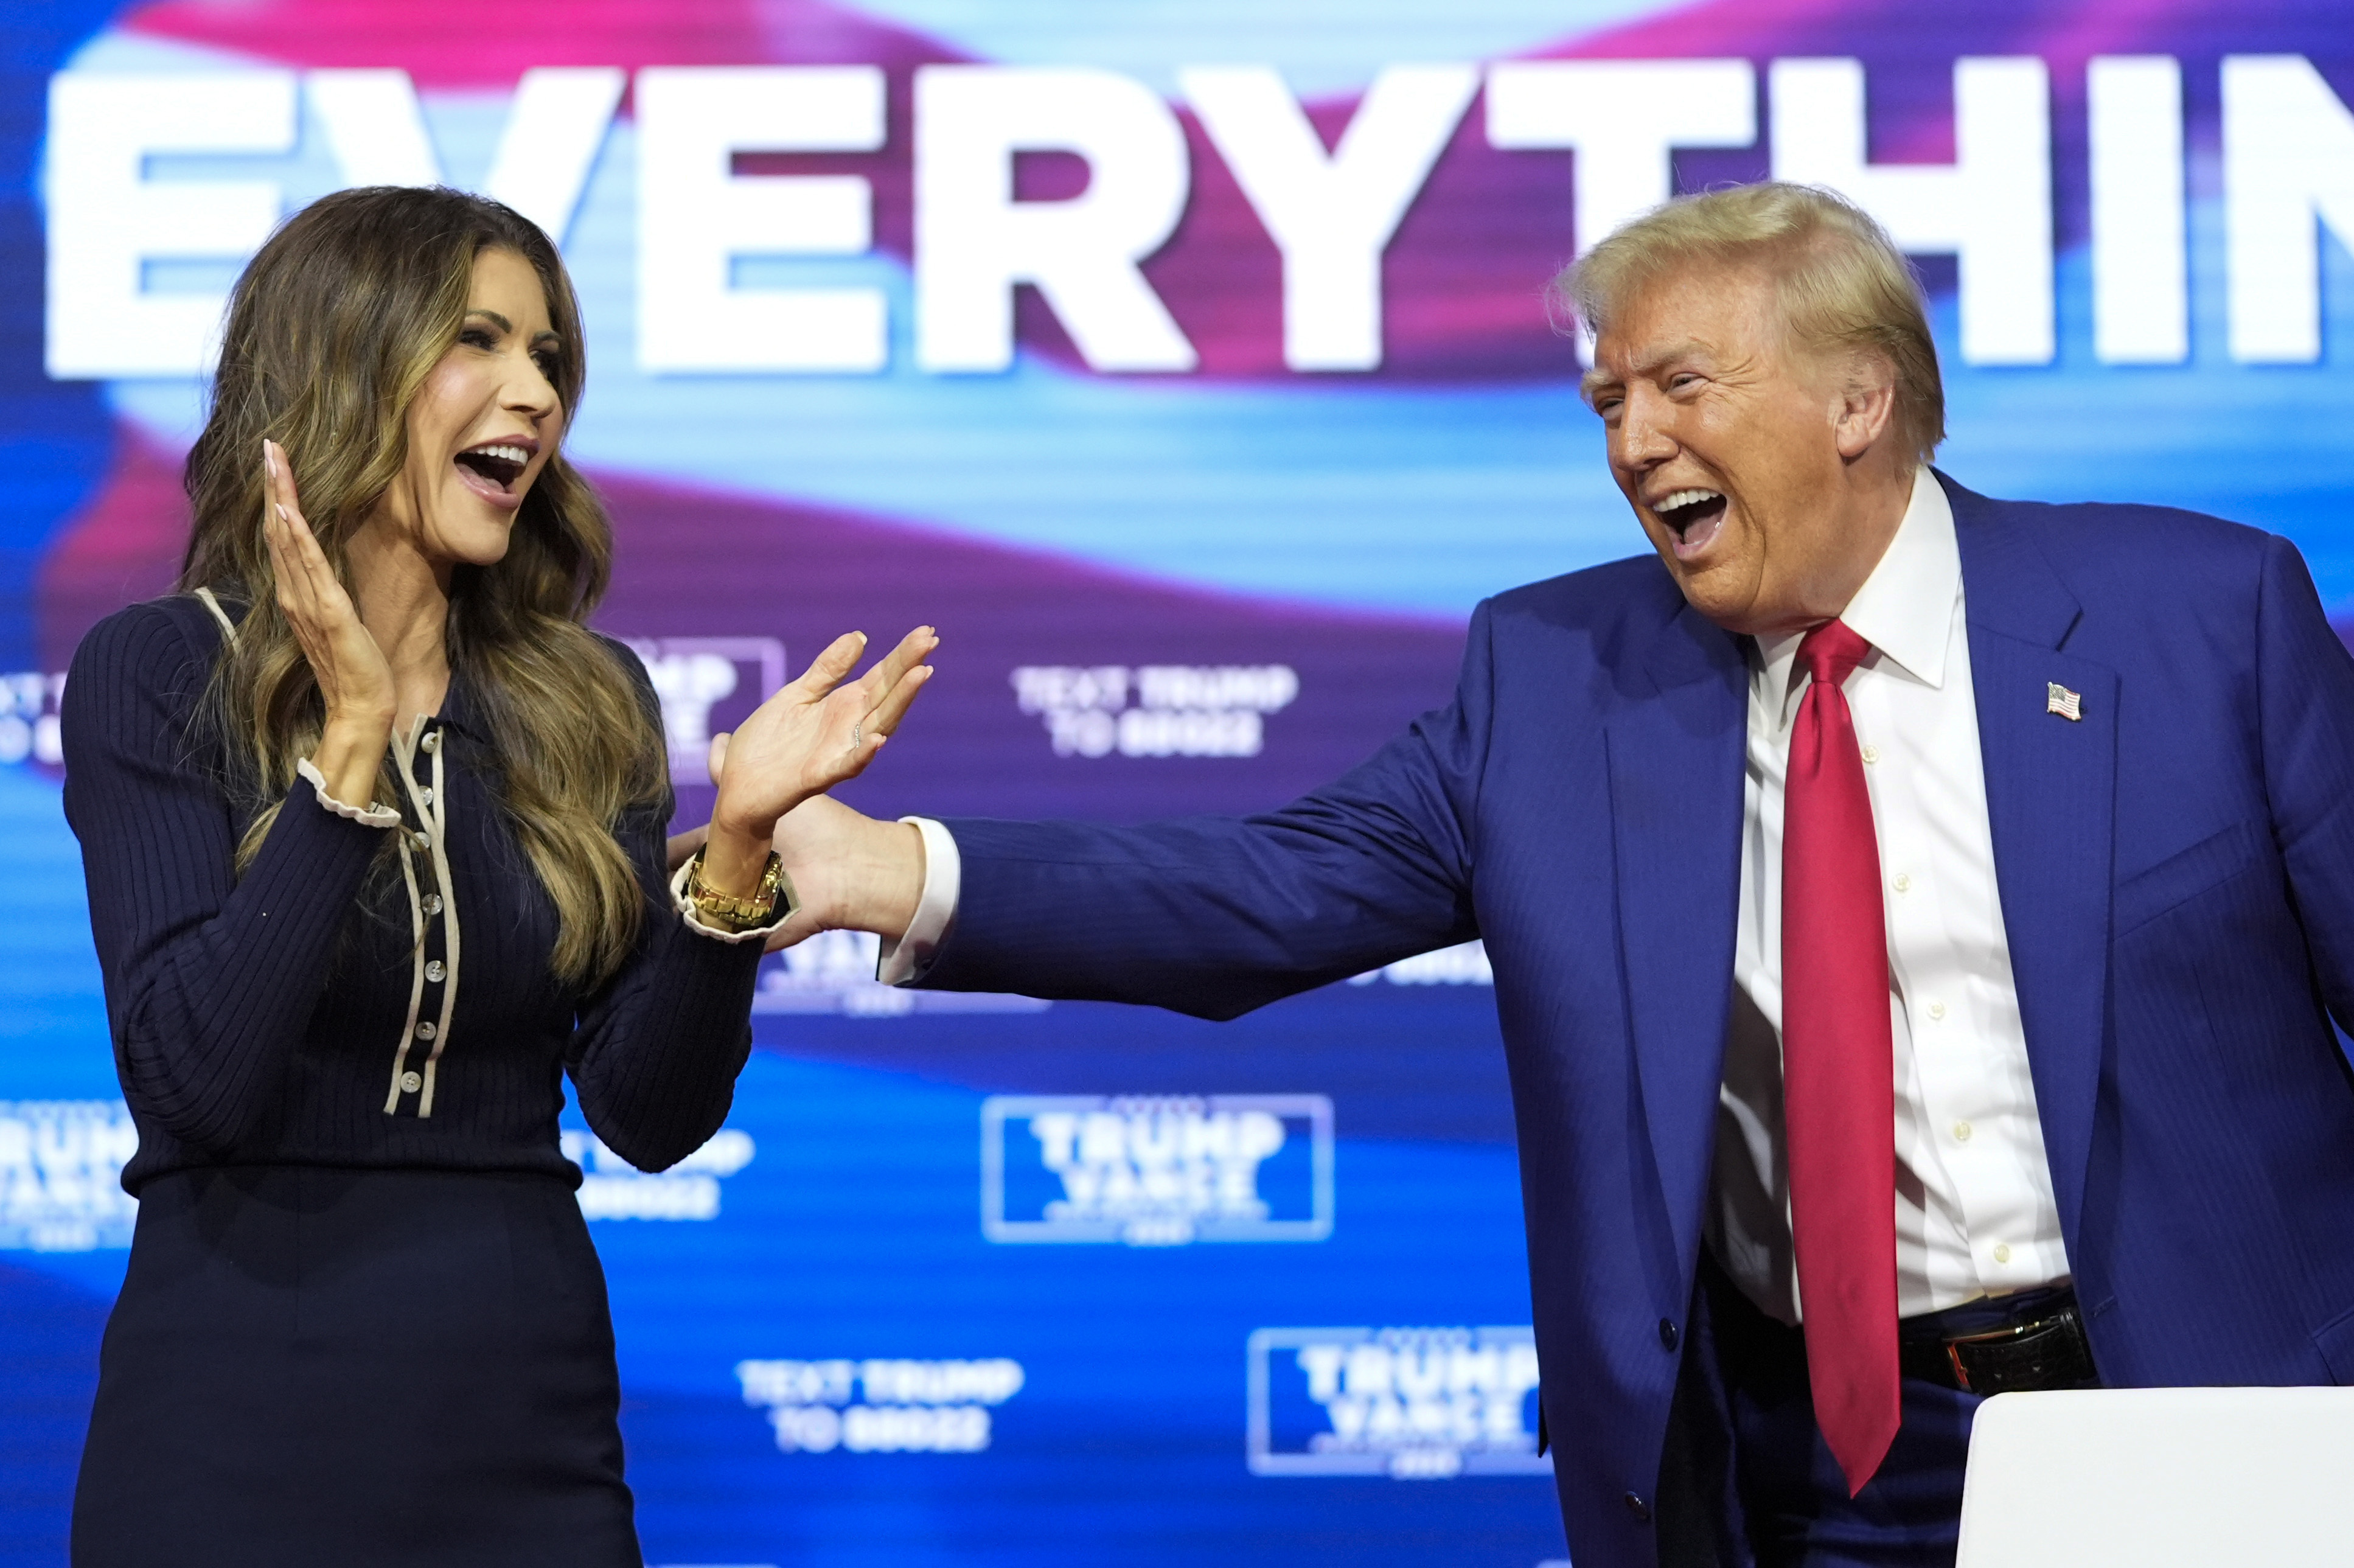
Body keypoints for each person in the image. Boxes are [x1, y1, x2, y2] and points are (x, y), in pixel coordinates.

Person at [737, 182, 2354, 1567]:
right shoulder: (1555, 676)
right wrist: (898, 871)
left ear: (1855, 399)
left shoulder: (2197, 619)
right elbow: (1268, 889)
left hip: (2202, 1416)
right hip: (1817, 1472)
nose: (1631, 439)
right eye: (1604, 405)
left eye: (1677, 386)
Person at [61, 184, 934, 1568]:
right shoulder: (165, 671)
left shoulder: (584, 698)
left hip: (527, 1423)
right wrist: (349, 749)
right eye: (481, 340)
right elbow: (196, 1078)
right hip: (232, 1419)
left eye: (550, 358)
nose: (533, 392)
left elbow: (648, 1114)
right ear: (347, 360)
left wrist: (743, 852)